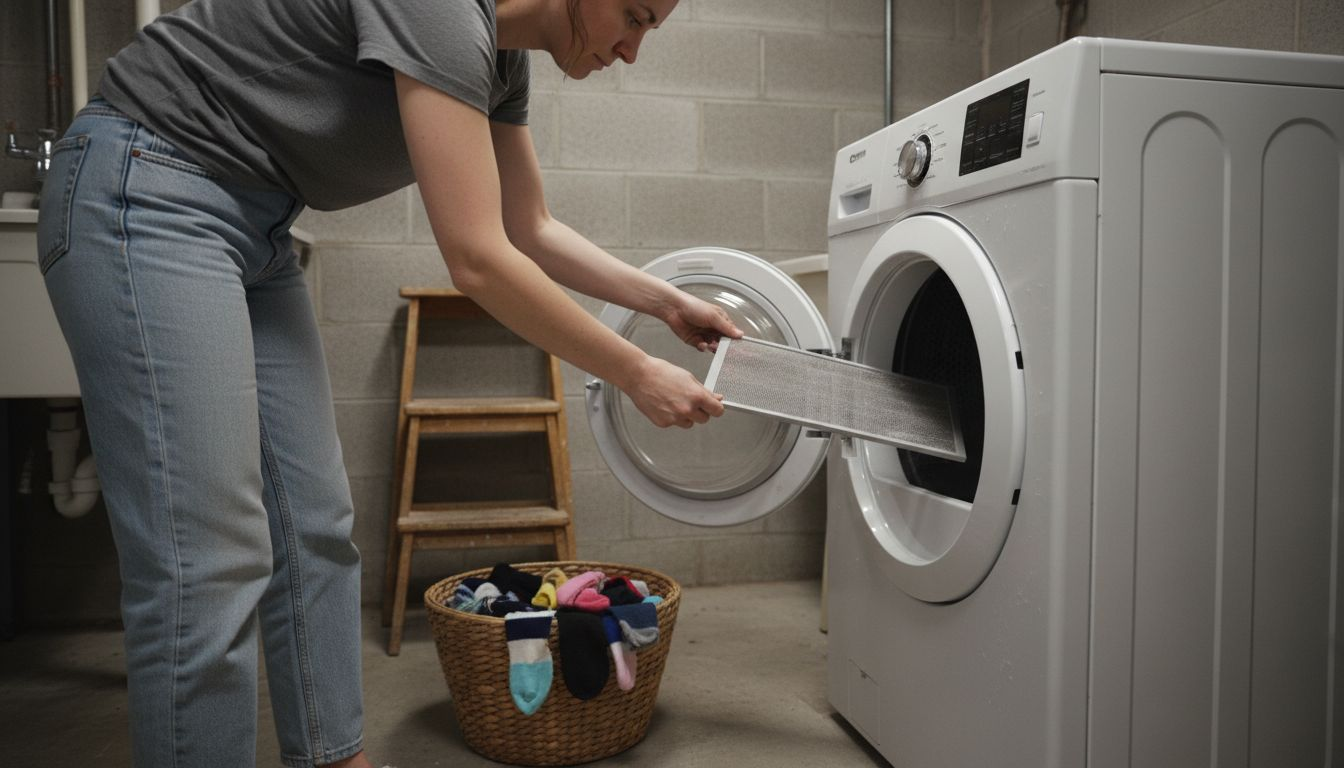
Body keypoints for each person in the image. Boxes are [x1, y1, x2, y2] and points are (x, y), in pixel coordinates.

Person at [36, 0, 738, 765]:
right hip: (150, 186)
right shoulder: (444, 9)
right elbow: (476, 257)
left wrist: (668, 304)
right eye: (634, 17)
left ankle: (335, 757)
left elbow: (529, 227)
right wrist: (634, 372)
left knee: (314, 530)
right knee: (206, 562)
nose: (632, 51)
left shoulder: (501, 60)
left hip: (258, 225)